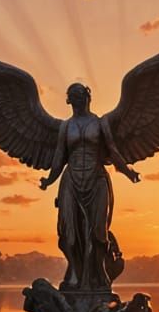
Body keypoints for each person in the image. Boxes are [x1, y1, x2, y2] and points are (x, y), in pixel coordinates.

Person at [39, 83, 140, 291]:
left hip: (96, 179)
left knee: (99, 232)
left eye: (81, 95)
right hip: (71, 181)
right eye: (73, 96)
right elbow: (59, 155)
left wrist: (128, 172)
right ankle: (75, 273)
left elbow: (112, 150)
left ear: (88, 97)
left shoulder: (100, 123)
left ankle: (99, 272)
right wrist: (49, 180)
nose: (78, 99)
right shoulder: (65, 127)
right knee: (69, 233)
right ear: (69, 100)